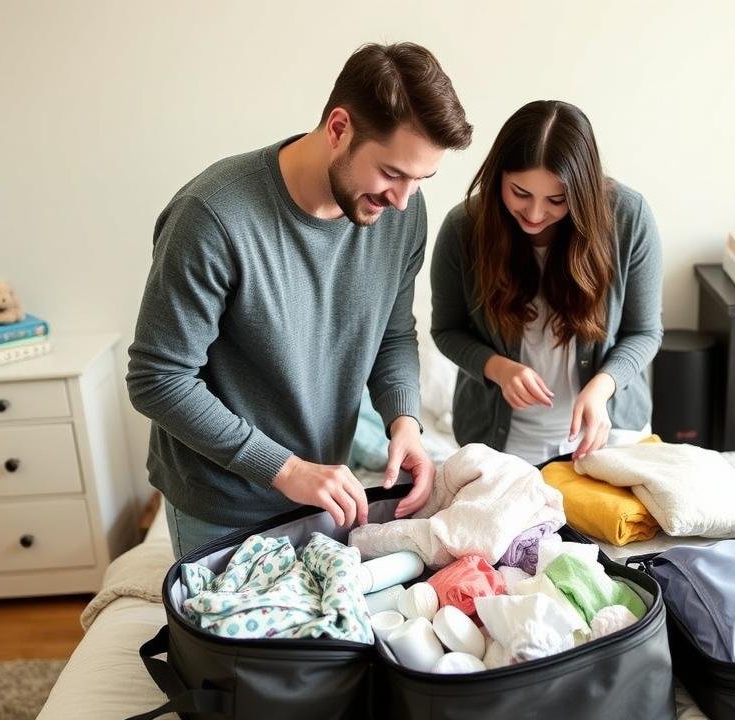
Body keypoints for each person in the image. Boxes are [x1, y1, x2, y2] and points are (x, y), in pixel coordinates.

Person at [127, 43, 472, 558]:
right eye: (392, 173)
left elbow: (394, 332)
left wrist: (404, 420)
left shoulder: (402, 215)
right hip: (220, 505)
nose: (402, 199)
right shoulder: (213, 218)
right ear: (339, 129)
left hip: (321, 493)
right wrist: (284, 469)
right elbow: (157, 380)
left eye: (421, 180)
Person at [430, 100, 662, 465]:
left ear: (582, 192)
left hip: (610, 434)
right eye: (520, 193)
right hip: (501, 444)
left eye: (557, 199)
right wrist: (498, 368)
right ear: (498, 177)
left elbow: (645, 332)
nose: (535, 214)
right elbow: (446, 330)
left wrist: (602, 387)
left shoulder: (627, 218)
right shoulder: (464, 229)